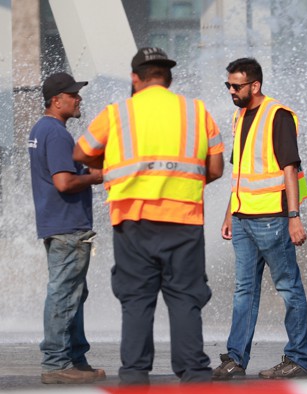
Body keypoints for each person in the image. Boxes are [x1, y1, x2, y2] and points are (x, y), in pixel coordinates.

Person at [73, 47, 224, 384]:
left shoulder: (116, 113)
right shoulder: (196, 111)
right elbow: (215, 168)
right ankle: (194, 374)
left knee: (137, 300)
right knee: (186, 299)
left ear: (135, 78)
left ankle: (135, 375)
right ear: (168, 78)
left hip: (132, 221)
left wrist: (111, 168)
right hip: (184, 220)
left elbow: (81, 152)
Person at [215, 57, 307, 380]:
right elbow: (239, 170)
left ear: (254, 85)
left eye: (236, 85)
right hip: (243, 219)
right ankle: (235, 358)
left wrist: (294, 216)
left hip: (272, 218)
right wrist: (230, 213)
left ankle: (297, 357)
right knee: (244, 290)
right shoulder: (239, 117)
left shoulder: (278, 116)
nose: (231, 90)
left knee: (288, 288)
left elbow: (289, 170)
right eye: (228, 85)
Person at [28, 72, 105, 384]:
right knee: (64, 293)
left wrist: (83, 170)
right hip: (67, 225)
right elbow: (64, 181)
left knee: (73, 292)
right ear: (56, 100)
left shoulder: (40, 129)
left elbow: (60, 173)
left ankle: (75, 357)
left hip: (54, 223)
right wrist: (97, 177)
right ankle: (57, 361)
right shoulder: (58, 133)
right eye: (73, 95)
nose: (79, 99)